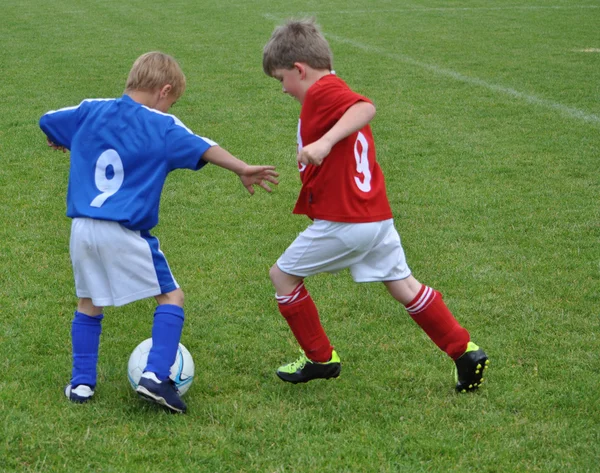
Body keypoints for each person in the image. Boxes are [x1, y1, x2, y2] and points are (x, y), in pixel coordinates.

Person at [39, 51, 279, 414]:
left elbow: (49, 120)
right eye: (173, 102)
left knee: (89, 303)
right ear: (164, 91)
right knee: (172, 297)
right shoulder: (162, 126)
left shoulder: (91, 109)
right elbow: (204, 145)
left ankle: (81, 385)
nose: (170, 109)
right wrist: (242, 168)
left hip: (82, 229)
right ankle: (155, 376)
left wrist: (67, 139)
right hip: (125, 230)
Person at [262, 19, 489, 392]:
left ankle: (320, 359)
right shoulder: (329, 88)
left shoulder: (324, 91)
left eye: (281, 79)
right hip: (374, 215)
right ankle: (464, 351)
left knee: (282, 277)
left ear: (300, 70)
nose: (283, 89)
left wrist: (325, 142)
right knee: (403, 286)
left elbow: (364, 108)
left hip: (346, 219)